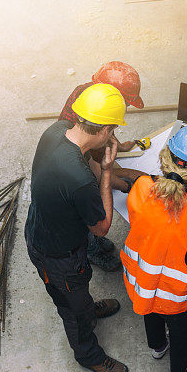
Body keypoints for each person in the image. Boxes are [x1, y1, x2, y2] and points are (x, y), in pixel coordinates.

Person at [25, 83, 130, 372]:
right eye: (113, 130)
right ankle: (88, 355)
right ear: (105, 130)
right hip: (57, 254)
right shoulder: (80, 180)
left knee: (78, 291)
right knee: (73, 309)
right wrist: (108, 172)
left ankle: (86, 306)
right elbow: (101, 228)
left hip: (42, 226)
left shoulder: (56, 131)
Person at [121, 124, 187, 372]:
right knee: (181, 332)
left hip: (141, 279)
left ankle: (157, 347)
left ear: (165, 158)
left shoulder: (140, 186)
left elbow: (146, 225)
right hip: (174, 293)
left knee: (150, 312)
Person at [60, 62, 145, 273]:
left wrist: (119, 144)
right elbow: (95, 173)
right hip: (84, 174)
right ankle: (92, 251)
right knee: (88, 221)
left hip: (91, 155)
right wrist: (123, 185)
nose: (125, 108)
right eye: (124, 103)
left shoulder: (92, 97)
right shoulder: (77, 159)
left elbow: (107, 120)